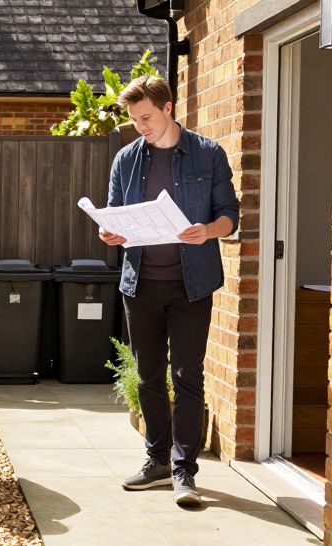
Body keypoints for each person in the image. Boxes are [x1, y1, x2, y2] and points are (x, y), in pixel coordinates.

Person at [98, 75, 239, 508]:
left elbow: (230, 216)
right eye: (134, 120)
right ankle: (156, 460)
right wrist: (111, 232)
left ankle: (184, 471)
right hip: (139, 283)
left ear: (168, 107)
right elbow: (116, 213)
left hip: (191, 284)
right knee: (148, 376)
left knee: (187, 376)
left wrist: (208, 231)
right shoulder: (126, 158)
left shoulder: (207, 154)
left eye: (146, 117)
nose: (141, 126)